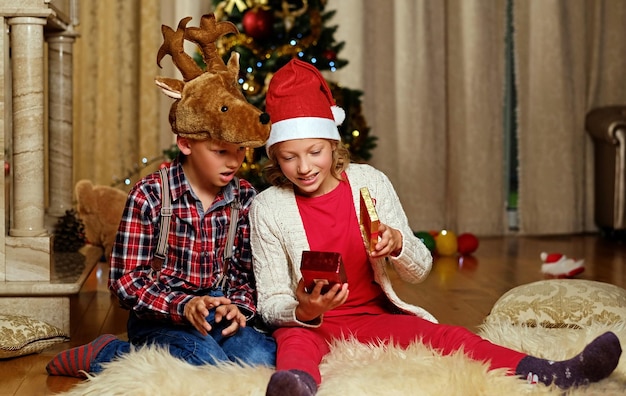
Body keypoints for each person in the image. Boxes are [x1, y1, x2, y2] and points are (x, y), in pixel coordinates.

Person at [248, 59, 622, 396]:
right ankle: (294, 387)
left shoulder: (370, 183)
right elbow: (269, 303)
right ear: (275, 157)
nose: (304, 167)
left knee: (450, 337)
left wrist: (397, 245)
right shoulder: (267, 207)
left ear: (333, 142)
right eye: (289, 157)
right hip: (310, 325)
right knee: (293, 345)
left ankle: (552, 371)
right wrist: (305, 308)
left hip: (373, 318)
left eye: (315, 151)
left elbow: (421, 268)